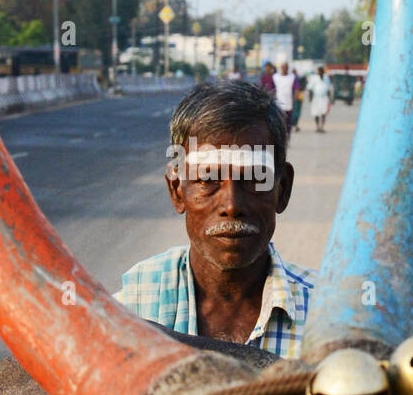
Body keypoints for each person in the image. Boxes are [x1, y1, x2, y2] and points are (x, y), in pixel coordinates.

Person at [115, 81, 315, 358]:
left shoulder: (327, 318)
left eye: (255, 178)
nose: (232, 205)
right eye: (207, 179)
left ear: (282, 189)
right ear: (177, 190)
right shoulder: (131, 307)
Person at [272, 60, 296, 138]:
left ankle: (287, 137)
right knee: (280, 123)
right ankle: (281, 137)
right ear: (281, 68)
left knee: (288, 123)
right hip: (279, 104)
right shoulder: (275, 77)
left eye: (286, 67)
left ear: (288, 68)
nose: (284, 69)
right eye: (283, 67)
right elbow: (272, 89)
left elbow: (296, 88)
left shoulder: (292, 77)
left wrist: (295, 98)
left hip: (289, 104)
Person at [308, 65, 332, 132]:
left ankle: (322, 127)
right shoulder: (314, 78)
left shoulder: (326, 78)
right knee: (316, 113)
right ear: (318, 72)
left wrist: (330, 99)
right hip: (316, 98)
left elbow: (329, 89)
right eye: (319, 71)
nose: (320, 72)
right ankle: (317, 126)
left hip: (324, 98)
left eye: (322, 71)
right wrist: (310, 98)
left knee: (323, 113)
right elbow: (310, 88)